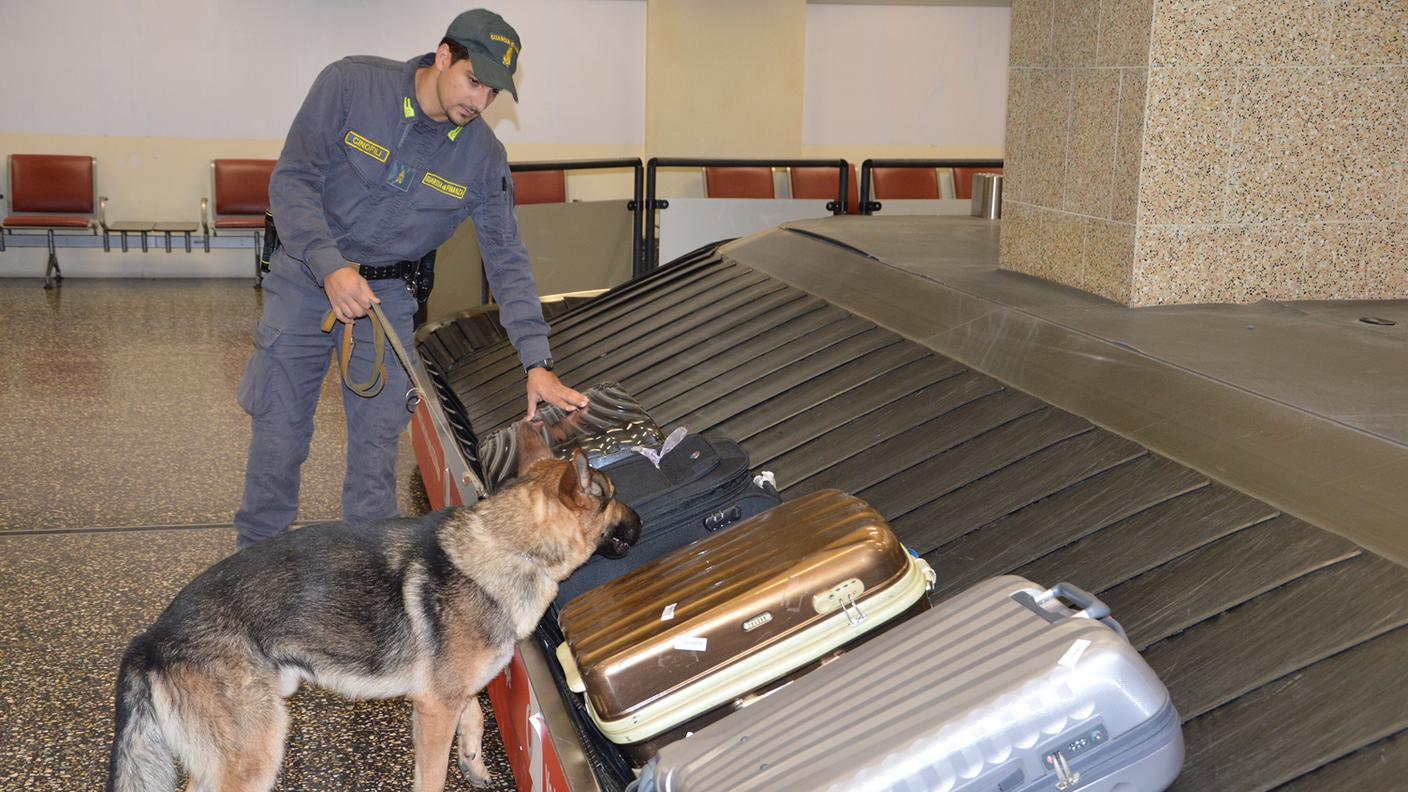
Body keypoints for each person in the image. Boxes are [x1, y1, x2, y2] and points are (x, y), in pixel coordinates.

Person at [234, 9, 586, 549]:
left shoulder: (483, 157)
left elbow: (507, 260)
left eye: (493, 93)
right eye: (473, 81)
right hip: (305, 277)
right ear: (443, 55)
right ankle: (252, 571)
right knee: (279, 439)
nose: (479, 102)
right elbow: (293, 181)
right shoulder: (351, 85)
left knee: (376, 455)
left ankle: (366, 586)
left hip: (387, 300)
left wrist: (537, 363)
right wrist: (332, 267)